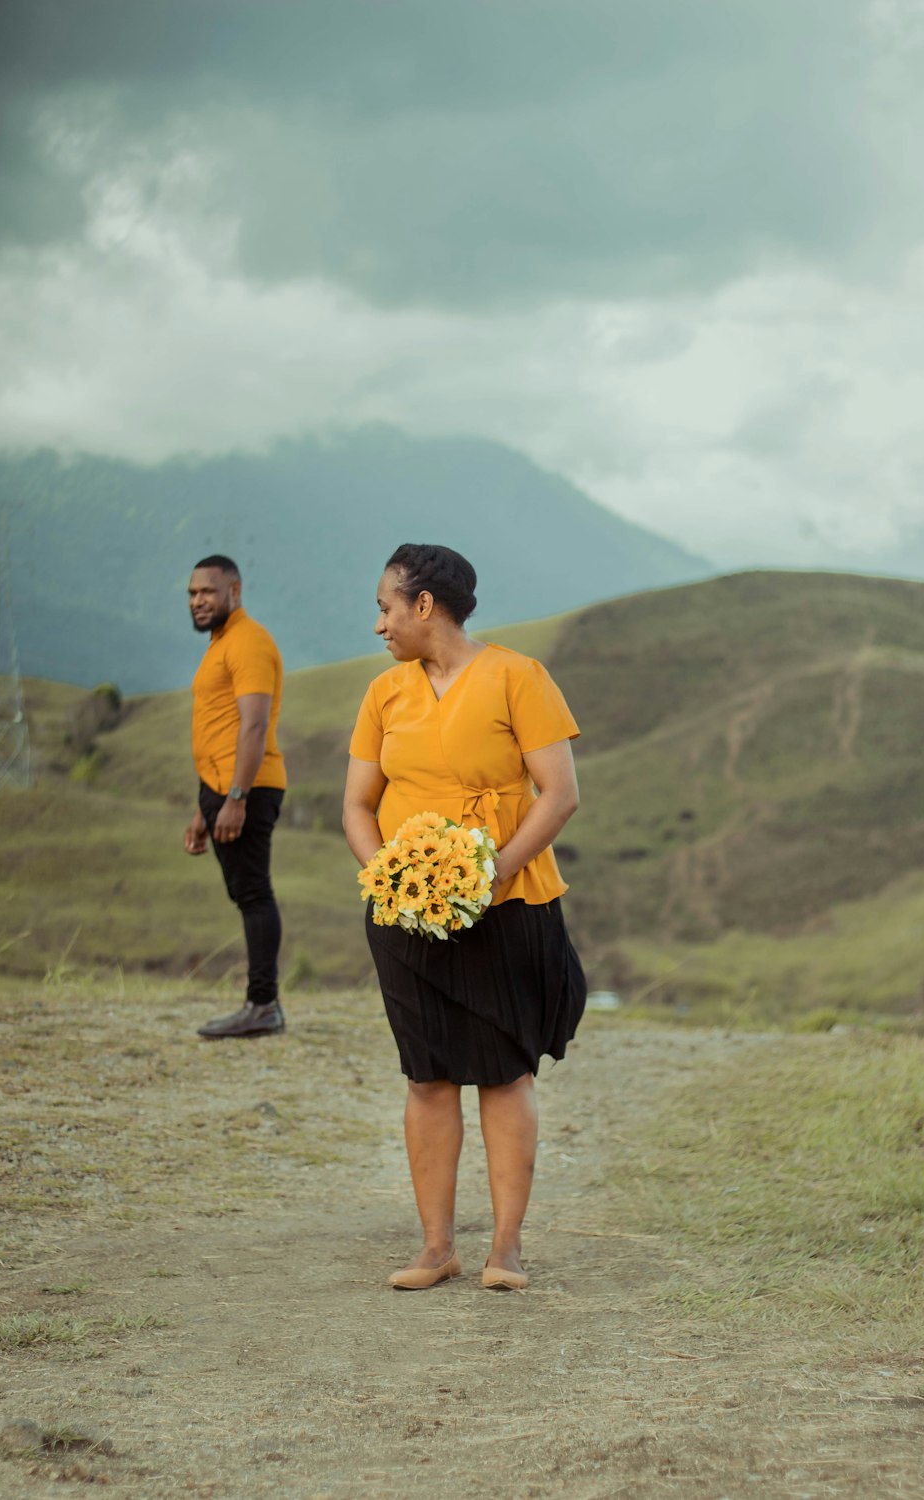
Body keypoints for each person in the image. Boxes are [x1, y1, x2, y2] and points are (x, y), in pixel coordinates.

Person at [342, 543, 586, 1291]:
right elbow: (355, 805)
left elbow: (559, 793)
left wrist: (491, 873)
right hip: (406, 916)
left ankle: (505, 1249)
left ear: (424, 605)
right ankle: (435, 1247)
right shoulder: (385, 693)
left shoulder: (519, 677)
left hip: (506, 906)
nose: (378, 623)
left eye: (386, 605)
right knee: (426, 1076)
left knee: (505, 1074)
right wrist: (389, 879)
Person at [184, 555, 287, 1039]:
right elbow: (218, 727)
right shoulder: (221, 644)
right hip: (223, 790)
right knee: (246, 893)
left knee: (253, 893)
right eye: (192, 594)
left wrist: (236, 798)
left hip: (246, 788)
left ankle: (263, 1005)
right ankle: (261, 1004)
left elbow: (254, 724)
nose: (198, 601)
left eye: (208, 591)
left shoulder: (249, 643)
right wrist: (204, 809)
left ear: (235, 591)